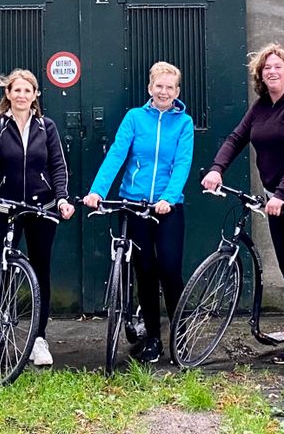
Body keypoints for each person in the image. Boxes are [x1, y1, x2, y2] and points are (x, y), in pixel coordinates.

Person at [202, 43, 284, 379]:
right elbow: (236, 138)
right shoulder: (260, 108)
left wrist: (282, 194)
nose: (271, 71)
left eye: (277, 66)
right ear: (260, 75)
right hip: (277, 197)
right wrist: (217, 169)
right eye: (265, 68)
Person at [0, 68, 75, 370]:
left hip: (41, 209)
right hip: (6, 207)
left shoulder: (46, 127)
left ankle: (38, 339)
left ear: (35, 95)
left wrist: (62, 198)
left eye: (27, 90)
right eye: (17, 90)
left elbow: (58, 165)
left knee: (40, 273)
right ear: (8, 94)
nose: (22, 96)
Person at [83, 61, 194, 364]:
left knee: (169, 270)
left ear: (177, 92)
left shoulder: (184, 123)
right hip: (134, 205)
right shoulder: (134, 118)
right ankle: (153, 339)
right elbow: (117, 154)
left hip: (168, 207)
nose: (163, 91)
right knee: (144, 271)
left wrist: (168, 198)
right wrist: (97, 191)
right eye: (159, 86)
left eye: (169, 87)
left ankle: (180, 334)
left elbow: (182, 163)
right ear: (150, 88)